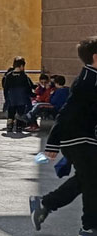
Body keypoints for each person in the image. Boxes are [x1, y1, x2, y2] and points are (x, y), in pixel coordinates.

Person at [30, 37, 97, 235]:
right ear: (95, 57)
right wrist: (53, 143)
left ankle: (46, 204)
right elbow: (67, 111)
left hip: (84, 138)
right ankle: (89, 226)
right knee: (91, 179)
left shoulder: (92, 78)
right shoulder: (87, 80)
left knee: (87, 179)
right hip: (77, 137)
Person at [3, 56, 35, 132]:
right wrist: (32, 94)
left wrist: (6, 97)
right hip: (21, 97)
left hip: (12, 97)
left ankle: (9, 126)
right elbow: (28, 87)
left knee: (11, 112)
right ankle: (19, 126)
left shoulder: (9, 75)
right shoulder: (23, 76)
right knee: (20, 112)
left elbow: (5, 88)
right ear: (21, 66)